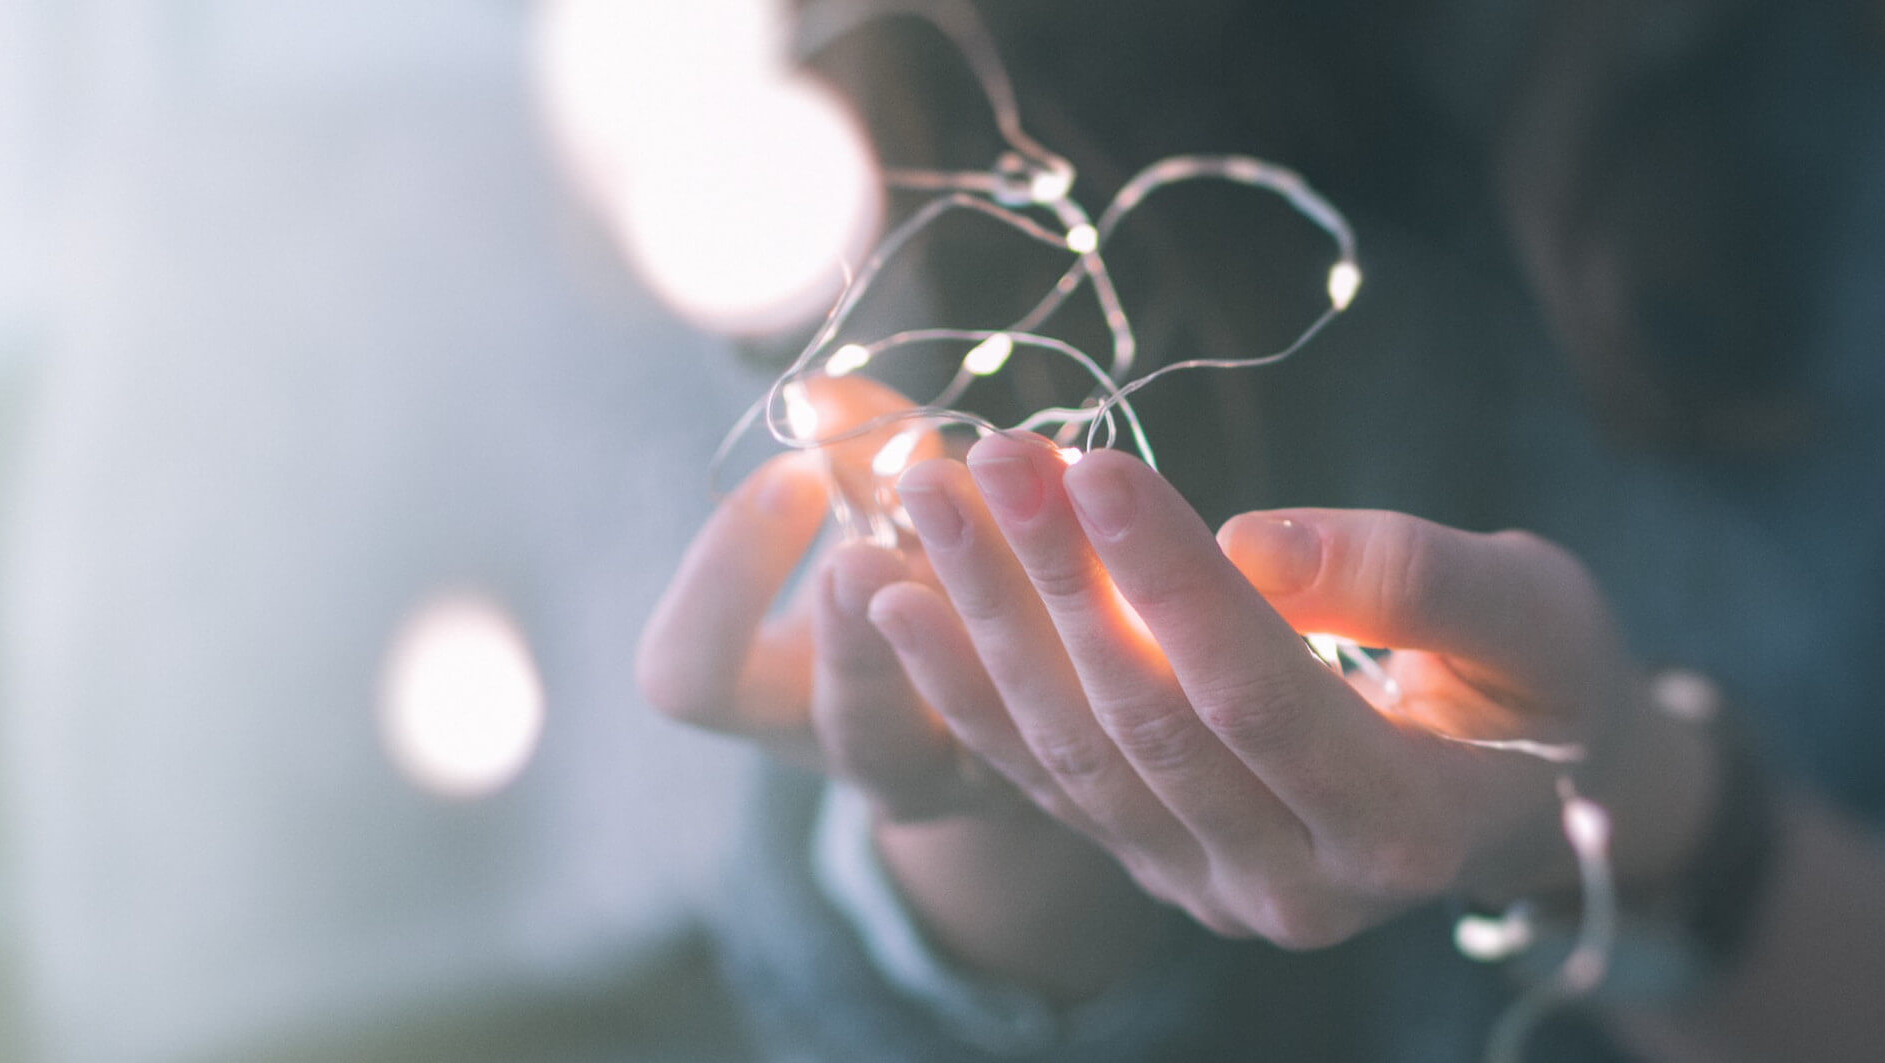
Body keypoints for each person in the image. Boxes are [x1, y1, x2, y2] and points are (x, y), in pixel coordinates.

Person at [635, 1, 1885, 1059]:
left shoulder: (1811, 108)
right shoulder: (881, 114)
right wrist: (990, 826)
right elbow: (813, 1006)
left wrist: (1642, 809)